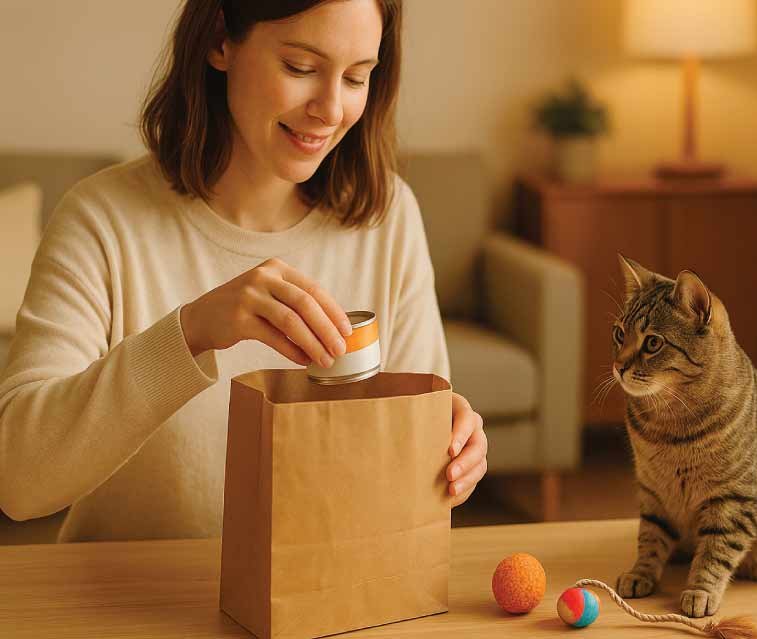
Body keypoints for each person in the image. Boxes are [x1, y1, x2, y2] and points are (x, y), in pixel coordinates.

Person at [0, 0, 487, 542]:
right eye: (300, 68)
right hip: (127, 608)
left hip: (319, 608)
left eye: (356, 77)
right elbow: (20, 482)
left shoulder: (388, 217)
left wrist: (449, 451)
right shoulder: (102, 220)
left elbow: (411, 495)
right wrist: (190, 334)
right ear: (219, 41)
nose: (330, 110)